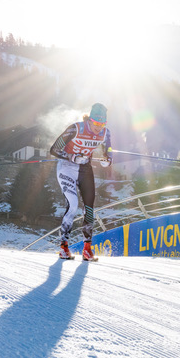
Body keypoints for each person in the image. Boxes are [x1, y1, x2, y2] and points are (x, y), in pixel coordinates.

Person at [50, 103, 114, 261]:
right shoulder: (75, 128)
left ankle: (87, 249)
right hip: (66, 167)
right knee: (72, 204)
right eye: (97, 123)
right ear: (90, 120)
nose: (99, 127)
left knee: (89, 208)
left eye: (102, 123)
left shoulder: (105, 133)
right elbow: (54, 149)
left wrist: (108, 160)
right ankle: (64, 246)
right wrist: (72, 157)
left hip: (85, 169)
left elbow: (109, 150)